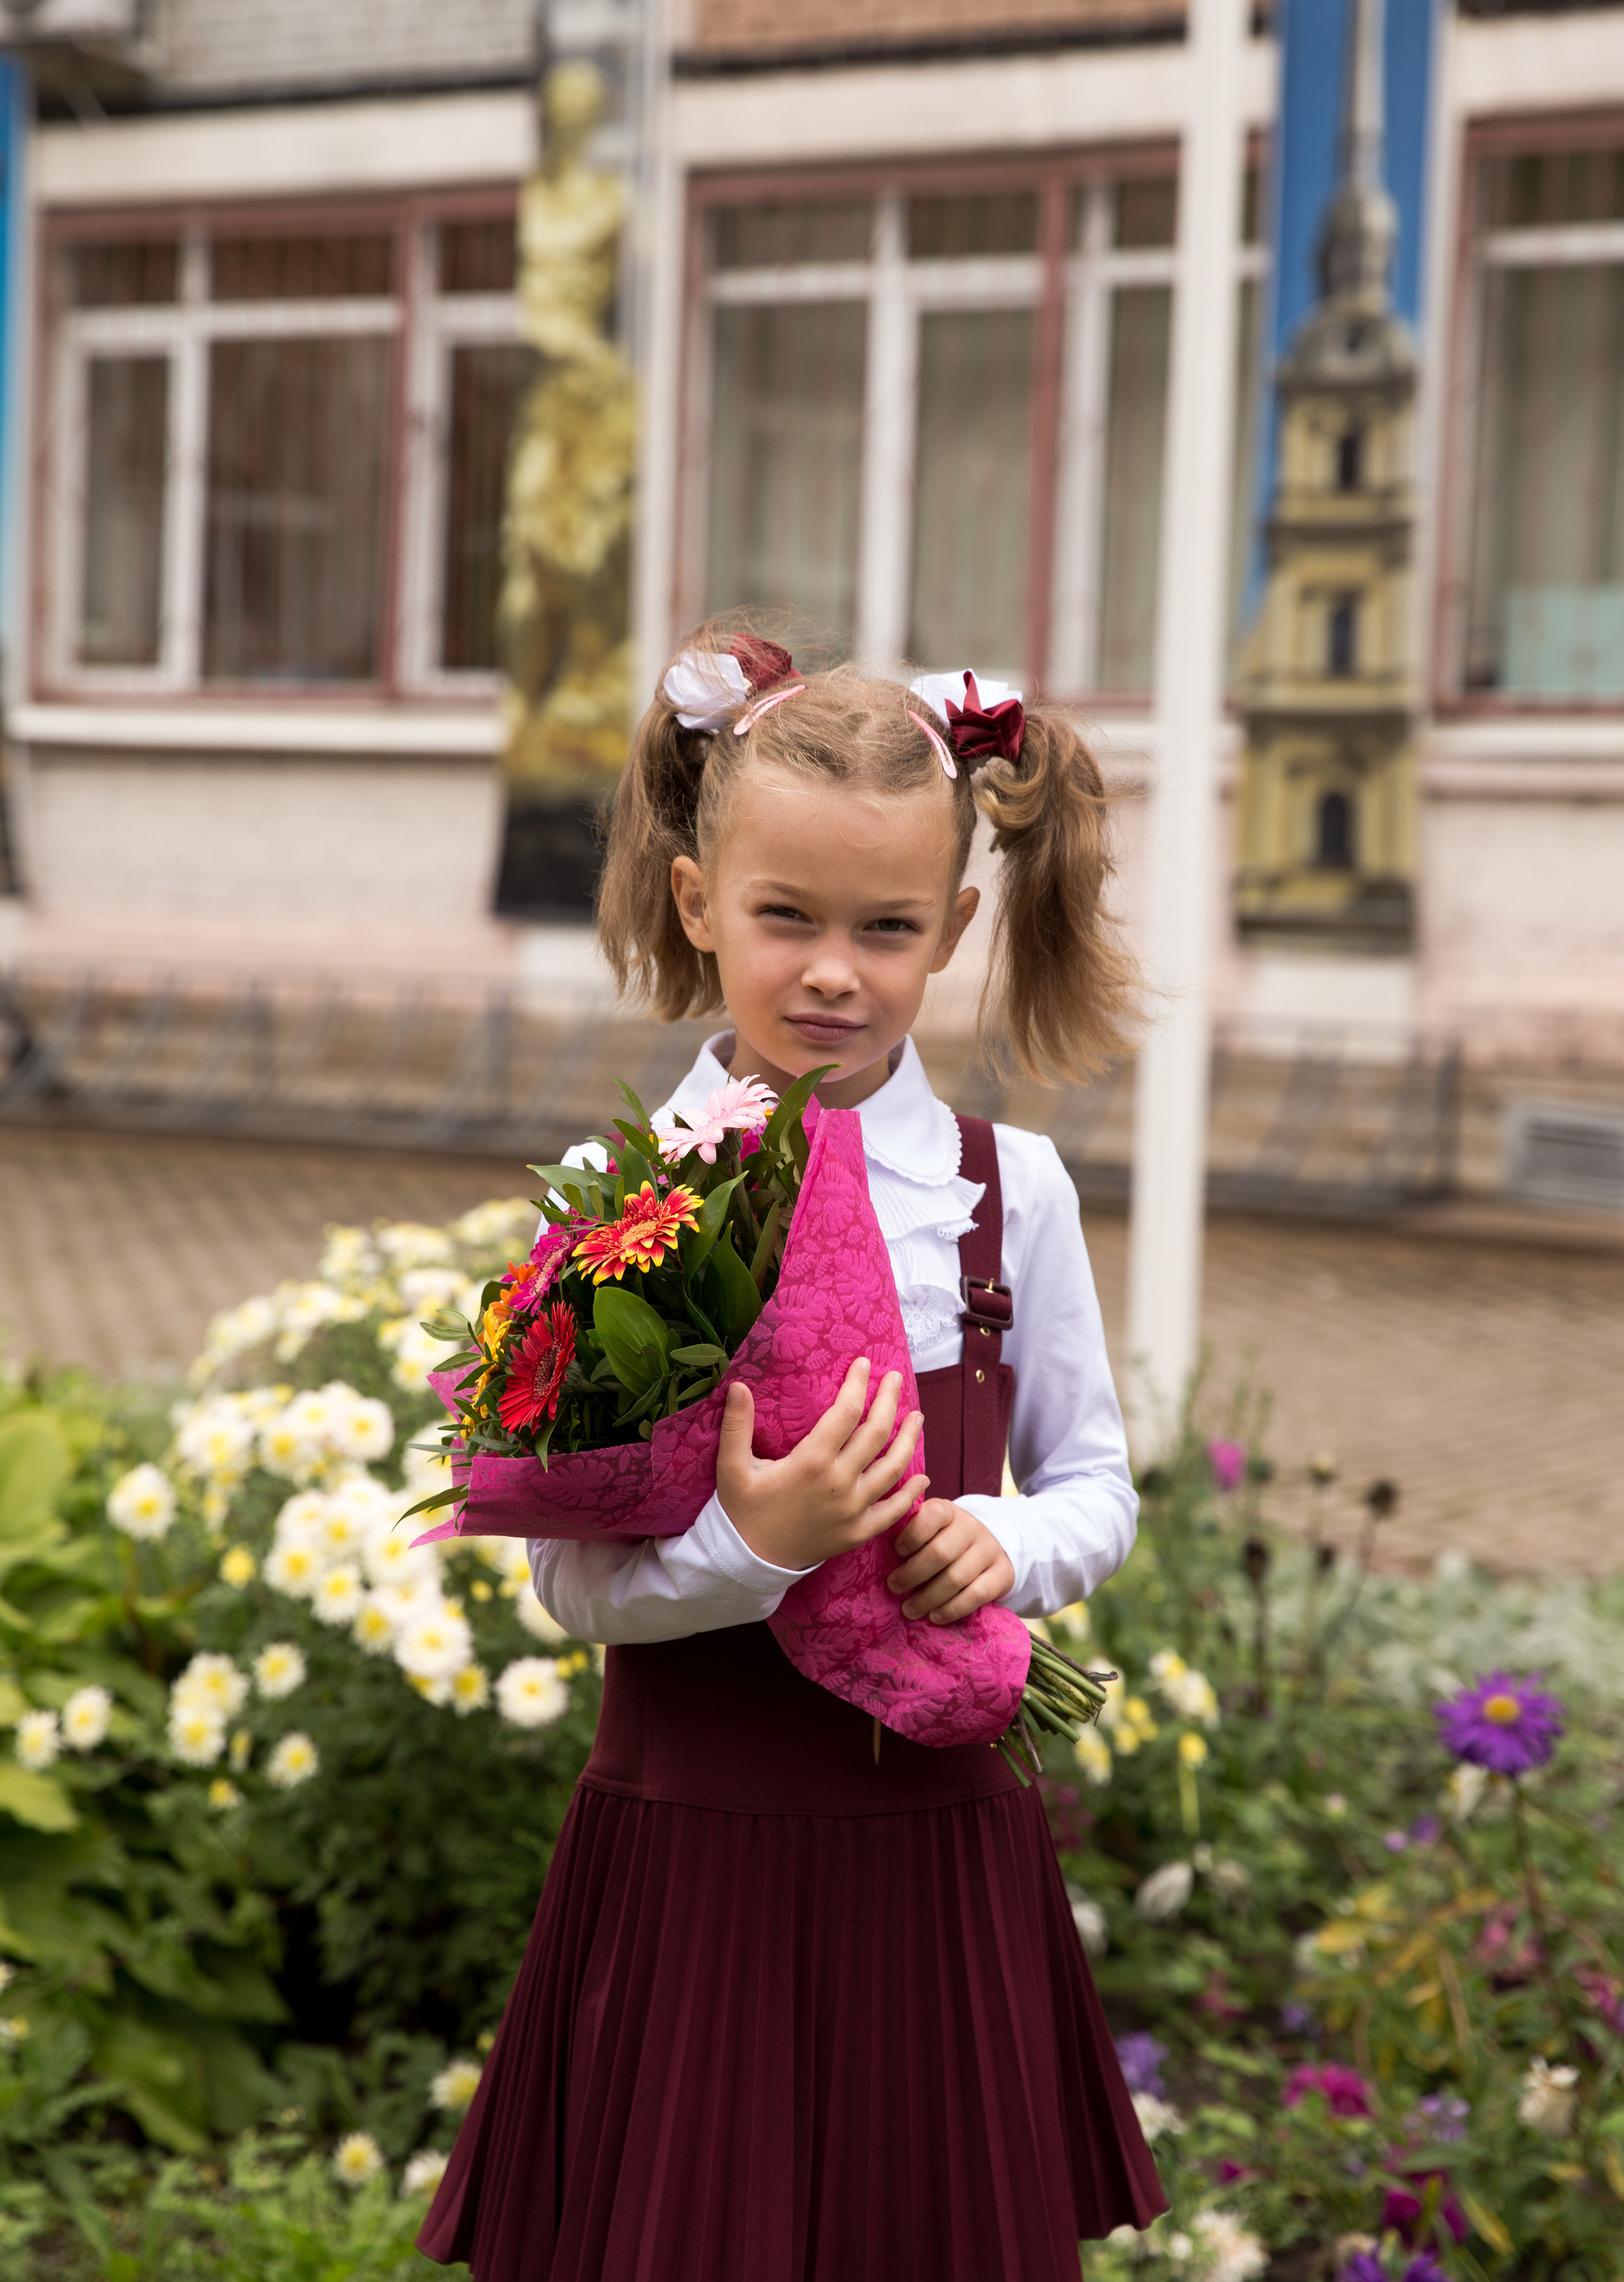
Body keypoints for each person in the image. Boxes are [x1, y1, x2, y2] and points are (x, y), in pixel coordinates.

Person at [419, 623, 1167, 2281]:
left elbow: (1097, 1486)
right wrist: (760, 1540)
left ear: (957, 928)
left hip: (933, 1855)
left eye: (888, 929)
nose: (835, 969)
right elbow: (569, 1588)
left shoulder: (1006, 1191)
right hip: (692, 1855)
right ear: (698, 903)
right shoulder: (612, 1202)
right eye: (787, 918)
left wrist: (1003, 1541)